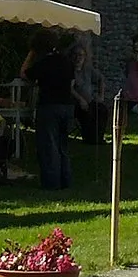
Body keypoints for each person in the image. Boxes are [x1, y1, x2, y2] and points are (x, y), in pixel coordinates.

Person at [22, 30, 80, 190]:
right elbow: (71, 83)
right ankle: (66, 180)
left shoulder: (44, 63)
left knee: (49, 146)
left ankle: (51, 182)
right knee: (63, 146)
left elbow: (24, 74)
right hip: (67, 106)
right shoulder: (65, 61)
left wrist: (30, 54)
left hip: (49, 105)